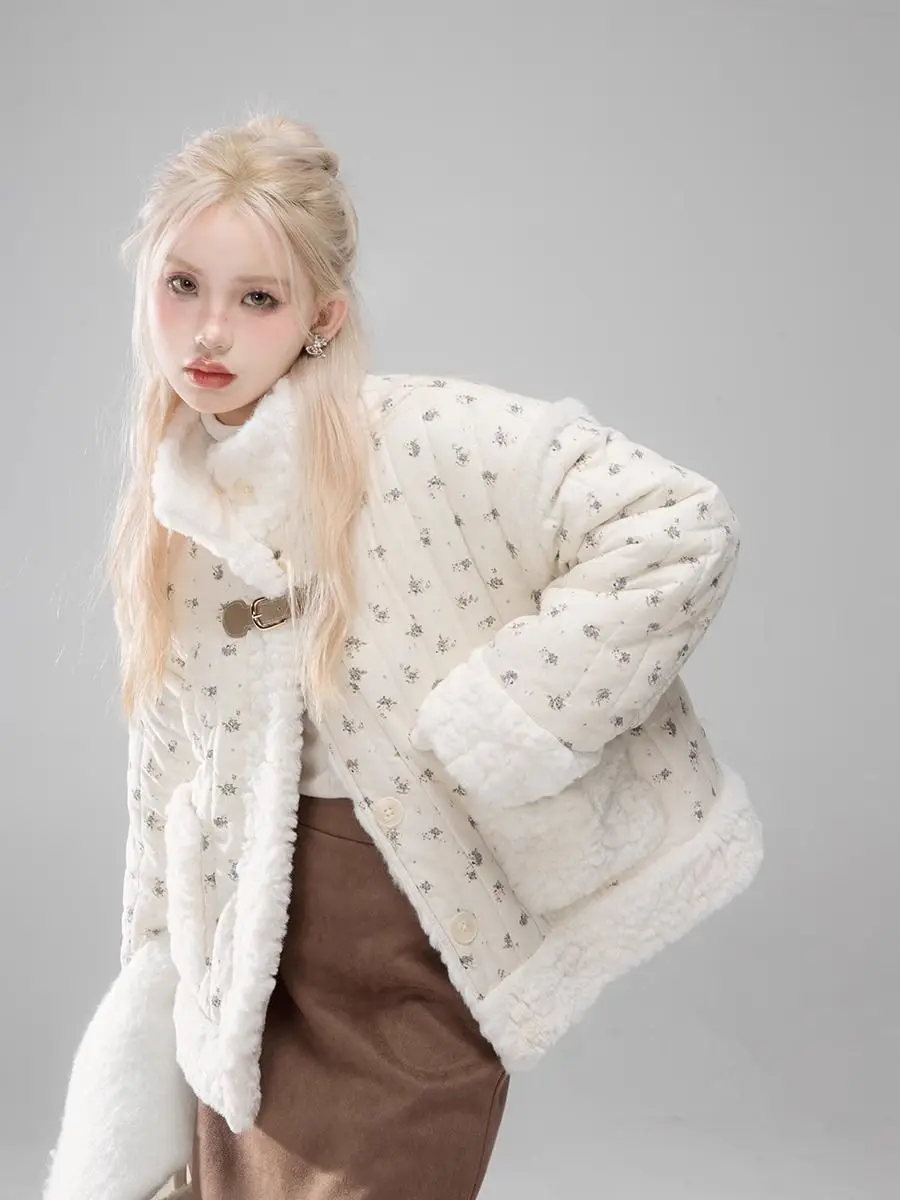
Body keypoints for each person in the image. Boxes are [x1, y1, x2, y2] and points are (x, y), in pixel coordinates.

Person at [42, 115, 764, 1200]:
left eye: (258, 298)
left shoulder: (424, 436)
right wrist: (154, 1003)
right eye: (182, 285)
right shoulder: (170, 516)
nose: (210, 331)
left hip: (411, 943)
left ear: (322, 318)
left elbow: (679, 523)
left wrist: (505, 719)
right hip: (250, 979)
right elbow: (166, 791)